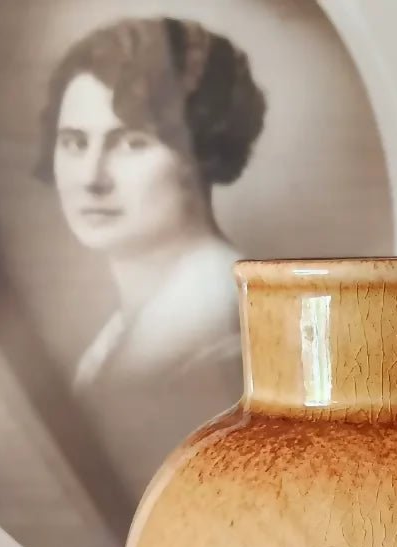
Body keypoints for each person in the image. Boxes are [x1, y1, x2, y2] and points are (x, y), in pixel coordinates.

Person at [36, 17, 266, 505]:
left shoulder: (228, 330)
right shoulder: (112, 340)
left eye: (131, 143)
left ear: (200, 155)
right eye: (75, 142)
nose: (91, 178)